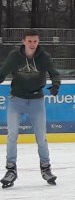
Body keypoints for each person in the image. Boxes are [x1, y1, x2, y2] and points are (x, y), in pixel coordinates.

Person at [0, 30, 61, 188]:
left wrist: (56, 85)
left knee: (41, 136)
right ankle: (11, 169)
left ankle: (46, 168)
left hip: (36, 101)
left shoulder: (44, 57)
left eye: (35, 41)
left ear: (38, 42)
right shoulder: (15, 56)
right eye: (29, 41)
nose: (32, 44)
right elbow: (2, 73)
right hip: (16, 100)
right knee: (12, 134)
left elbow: (54, 73)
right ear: (23, 41)